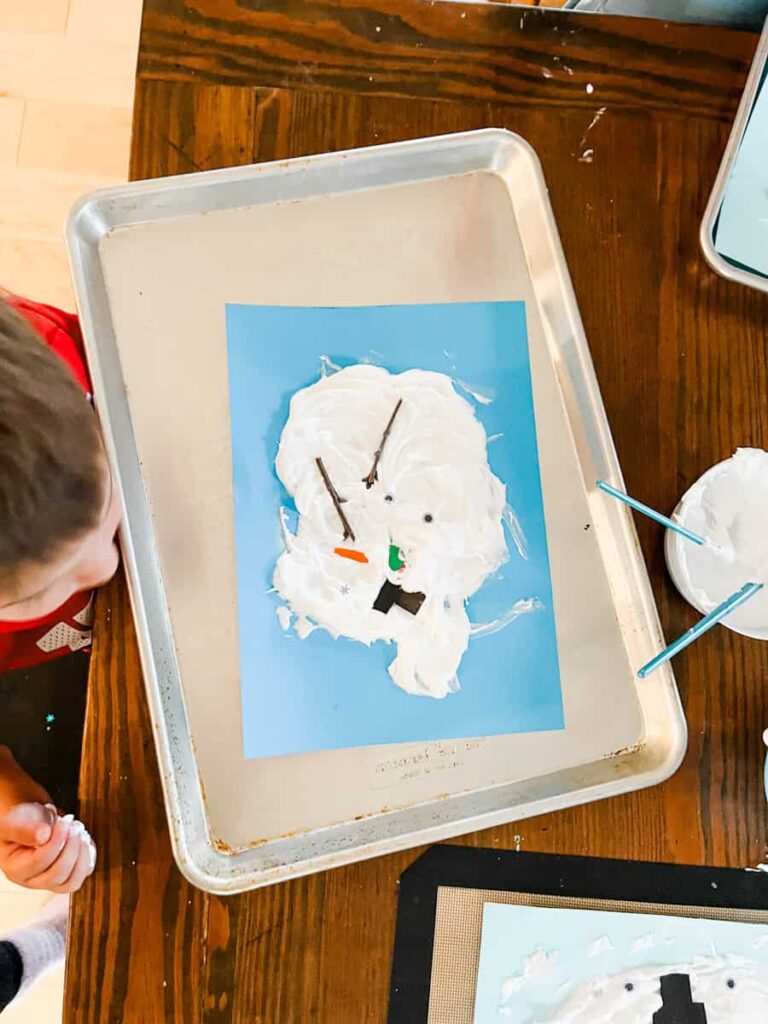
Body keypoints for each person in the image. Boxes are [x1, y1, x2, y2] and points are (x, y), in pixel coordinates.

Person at [0, 294, 121, 894]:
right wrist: (7, 792)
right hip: (33, 684)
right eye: (45, 587)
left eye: (103, 501)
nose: (106, 565)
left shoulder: (38, 360)